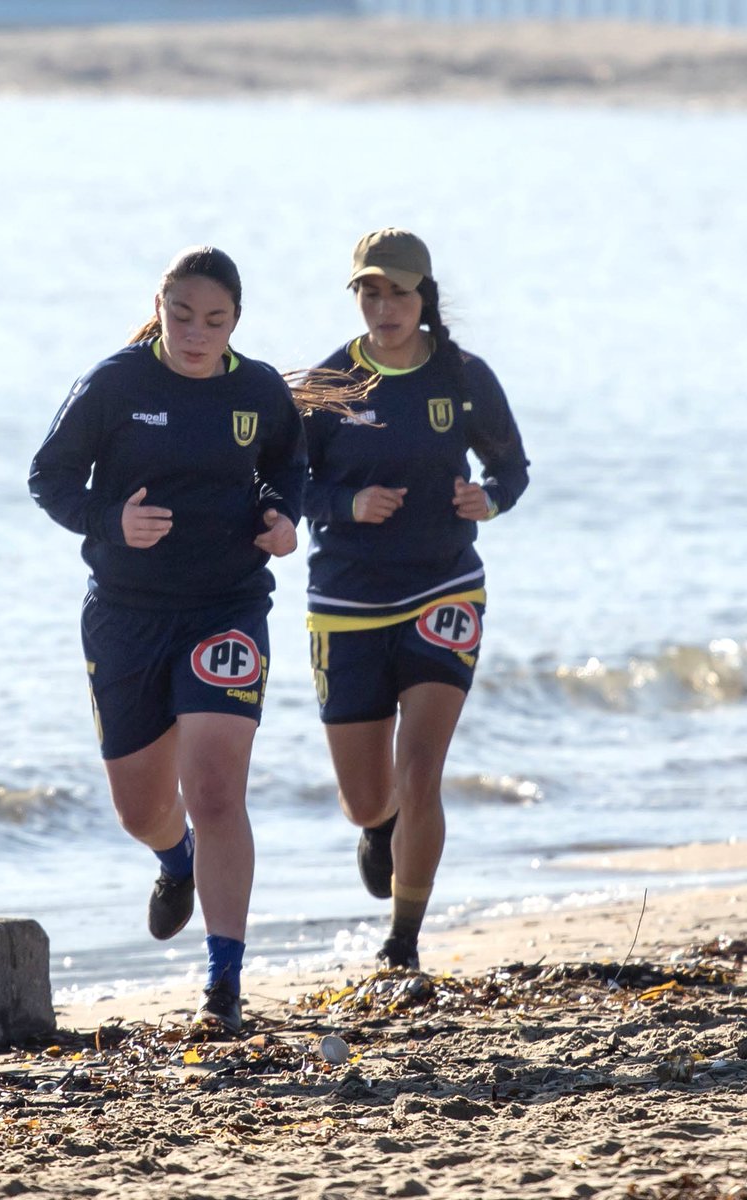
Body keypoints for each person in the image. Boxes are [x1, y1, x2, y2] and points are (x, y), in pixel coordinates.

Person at [28, 246, 306, 1035]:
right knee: (141, 809)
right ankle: (172, 857)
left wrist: (287, 521)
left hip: (228, 606)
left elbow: (291, 464)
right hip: (126, 613)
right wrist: (108, 521)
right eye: (182, 314)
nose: (195, 333)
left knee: (216, 786)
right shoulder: (115, 384)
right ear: (160, 306)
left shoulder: (256, 390)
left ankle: (223, 984)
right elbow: (49, 478)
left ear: (235, 323)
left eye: (214, 320)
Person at [304, 228, 529, 970]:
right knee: (368, 797)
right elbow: (287, 486)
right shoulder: (329, 384)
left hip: (444, 588)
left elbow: (511, 468)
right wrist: (347, 503)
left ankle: (403, 938)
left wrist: (485, 500)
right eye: (370, 291)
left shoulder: (463, 376)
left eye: (398, 291)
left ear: (423, 296)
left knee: (422, 765)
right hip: (348, 602)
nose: (384, 305)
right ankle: (381, 826)